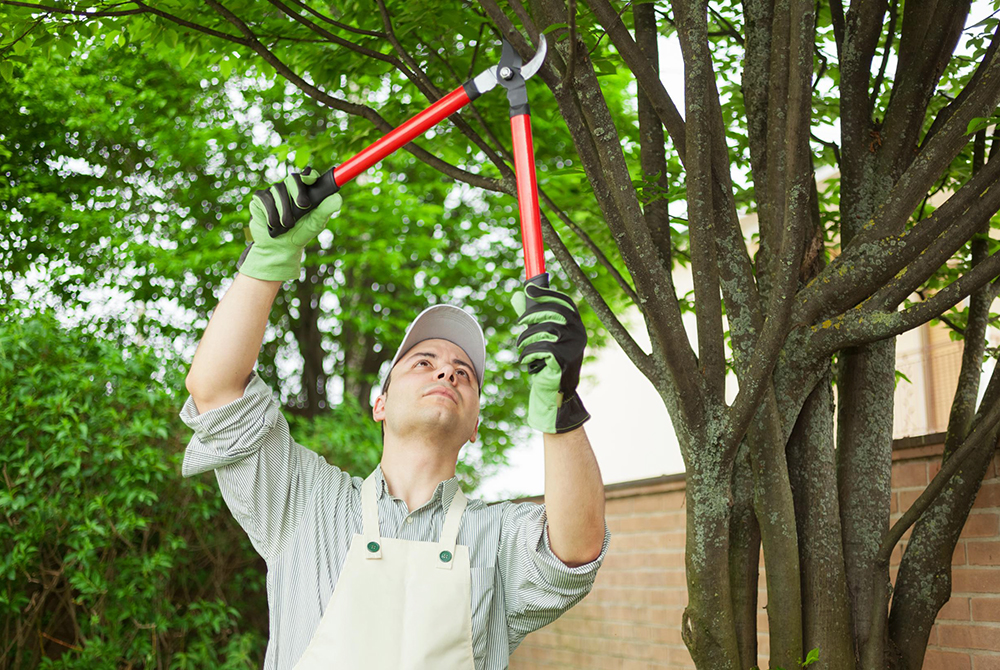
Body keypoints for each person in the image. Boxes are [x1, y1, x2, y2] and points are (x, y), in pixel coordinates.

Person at [180, 169, 611, 669]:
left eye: (463, 373)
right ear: (379, 404)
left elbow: (575, 551)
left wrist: (561, 404)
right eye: (423, 362)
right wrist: (265, 263)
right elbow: (216, 392)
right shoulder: (305, 503)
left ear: (474, 427)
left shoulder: (498, 539)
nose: (446, 372)